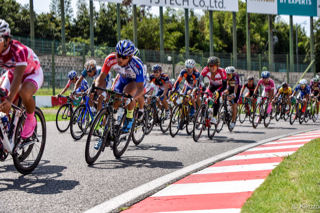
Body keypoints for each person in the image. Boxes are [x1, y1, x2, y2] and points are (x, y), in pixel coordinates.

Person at [0, 19, 44, 139]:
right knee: (2, 94)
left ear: (7, 39)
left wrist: (9, 99)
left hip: (32, 73)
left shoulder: (19, 50)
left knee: (23, 91)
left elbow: (18, 77)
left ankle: (30, 119)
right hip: (12, 73)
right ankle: (8, 127)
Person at [95, 39, 145, 136]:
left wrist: (132, 97)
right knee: (115, 101)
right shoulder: (110, 59)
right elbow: (101, 78)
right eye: (118, 55)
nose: (120, 59)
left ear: (130, 56)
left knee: (127, 94)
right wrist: (95, 89)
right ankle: (113, 127)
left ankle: (130, 118)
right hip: (122, 79)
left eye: (124, 57)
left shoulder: (137, 64)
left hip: (135, 81)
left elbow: (140, 88)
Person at [197, 56, 227, 124]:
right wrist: (196, 87)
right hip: (211, 85)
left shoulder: (222, 71)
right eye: (210, 65)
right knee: (205, 97)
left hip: (220, 87)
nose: (211, 67)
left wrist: (218, 92)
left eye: (213, 65)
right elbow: (199, 79)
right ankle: (204, 114)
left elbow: (225, 86)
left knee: (216, 97)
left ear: (217, 66)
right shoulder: (206, 69)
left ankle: (214, 117)